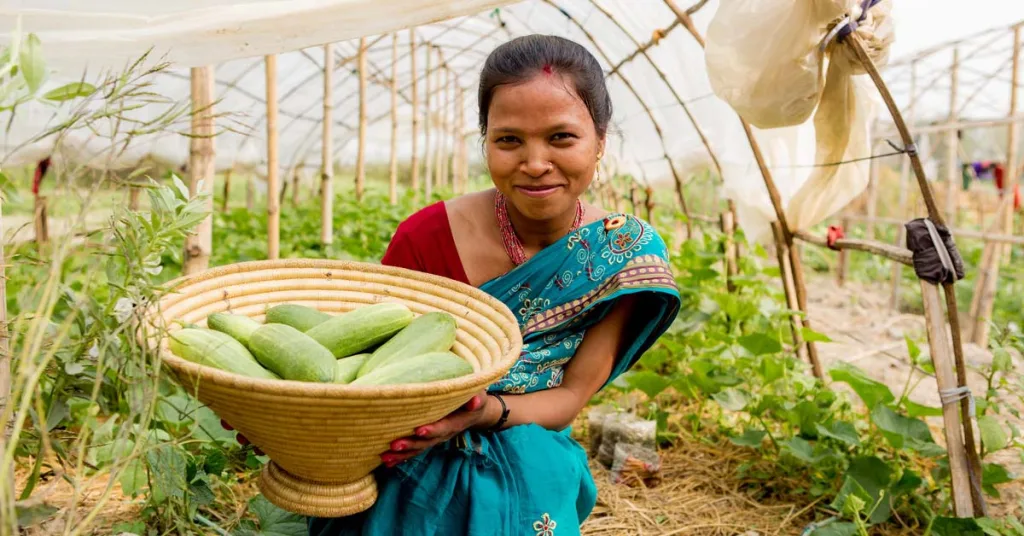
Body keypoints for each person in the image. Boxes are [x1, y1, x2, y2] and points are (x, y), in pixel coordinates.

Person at [303, 34, 681, 535]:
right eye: (509, 140)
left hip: (526, 439)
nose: (535, 162)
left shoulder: (620, 254)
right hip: (408, 444)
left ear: (600, 141)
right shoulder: (426, 236)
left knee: (533, 472)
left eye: (561, 138)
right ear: (485, 141)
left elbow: (569, 397)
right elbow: (369, 367)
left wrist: (481, 412)